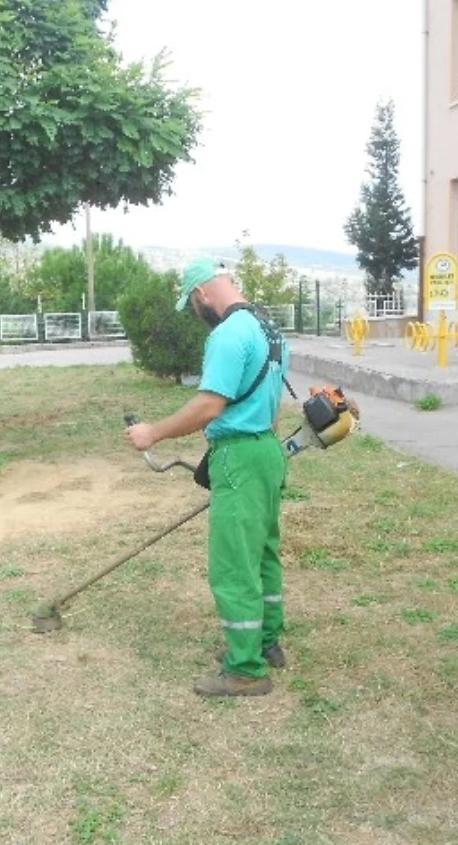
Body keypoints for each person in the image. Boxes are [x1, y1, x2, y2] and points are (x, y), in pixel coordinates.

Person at [125, 258, 290, 697]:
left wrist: (152, 433)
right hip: (266, 452)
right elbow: (274, 403)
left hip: (239, 455)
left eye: (192, 304)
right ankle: (266, 640)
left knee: (234, 564)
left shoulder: (228, 334)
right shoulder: (268, 328)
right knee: (262, 554)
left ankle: (245, 669)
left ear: (201, 294)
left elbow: (207, 406)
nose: (196, 313)